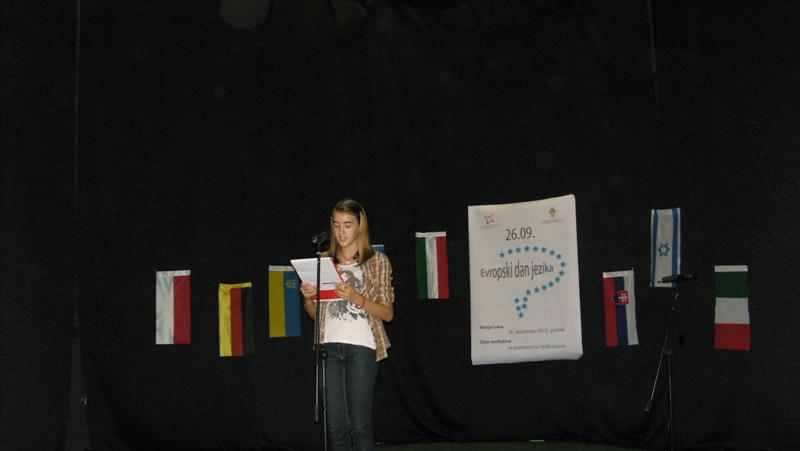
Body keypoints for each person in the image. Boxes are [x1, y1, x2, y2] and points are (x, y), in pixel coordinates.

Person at [300, 199, 394, 451]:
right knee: (335, 427)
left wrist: (356, 298)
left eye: (348, 225)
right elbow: (315, 315)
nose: (341, 231)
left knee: (360, 424)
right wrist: (308, 299)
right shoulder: (323, 262)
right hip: (329, 348)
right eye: (336, 224)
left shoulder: (376, 261)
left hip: (361, 348)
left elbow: (387, 314)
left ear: (360, 226)